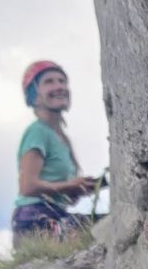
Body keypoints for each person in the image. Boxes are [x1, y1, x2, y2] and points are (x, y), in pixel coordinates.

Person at [12, 60, 101, 243]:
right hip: (34, 218)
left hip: (54, 212)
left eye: (62, 81)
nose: (59, 86)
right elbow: (27, 187)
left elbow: (63, 195)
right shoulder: (38, 132)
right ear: (34, 95)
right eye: (49, 82)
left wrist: (79, 189)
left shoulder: (61, 138)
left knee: (109, 223)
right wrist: (70, 186)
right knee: (109, 227)